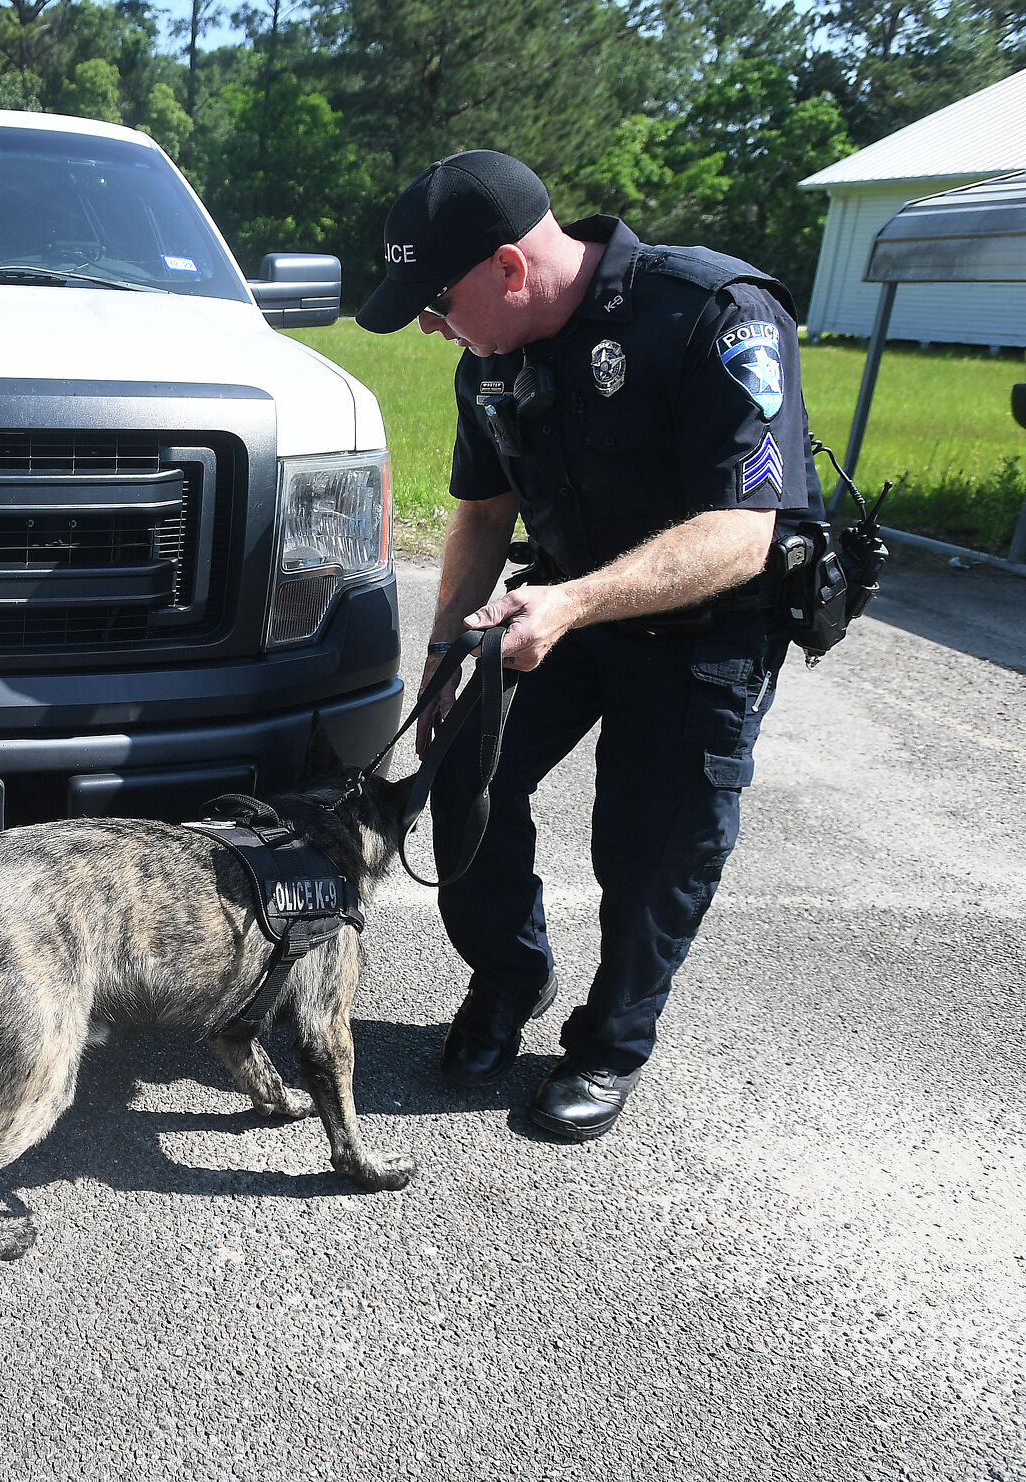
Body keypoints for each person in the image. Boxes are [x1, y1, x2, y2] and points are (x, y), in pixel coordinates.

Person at [354, 151, 822, 1140]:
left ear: (509, 268)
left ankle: (611, 1042)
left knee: (650, 849)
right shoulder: (489, 358)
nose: (430, 325)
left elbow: (743, 532)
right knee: (461, 778)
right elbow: (483, 514)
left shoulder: (713, 313)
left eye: (436, 300)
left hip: (706, 628)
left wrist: (571, 604)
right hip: (564, 606)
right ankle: (510, 976)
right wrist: (441, 662)